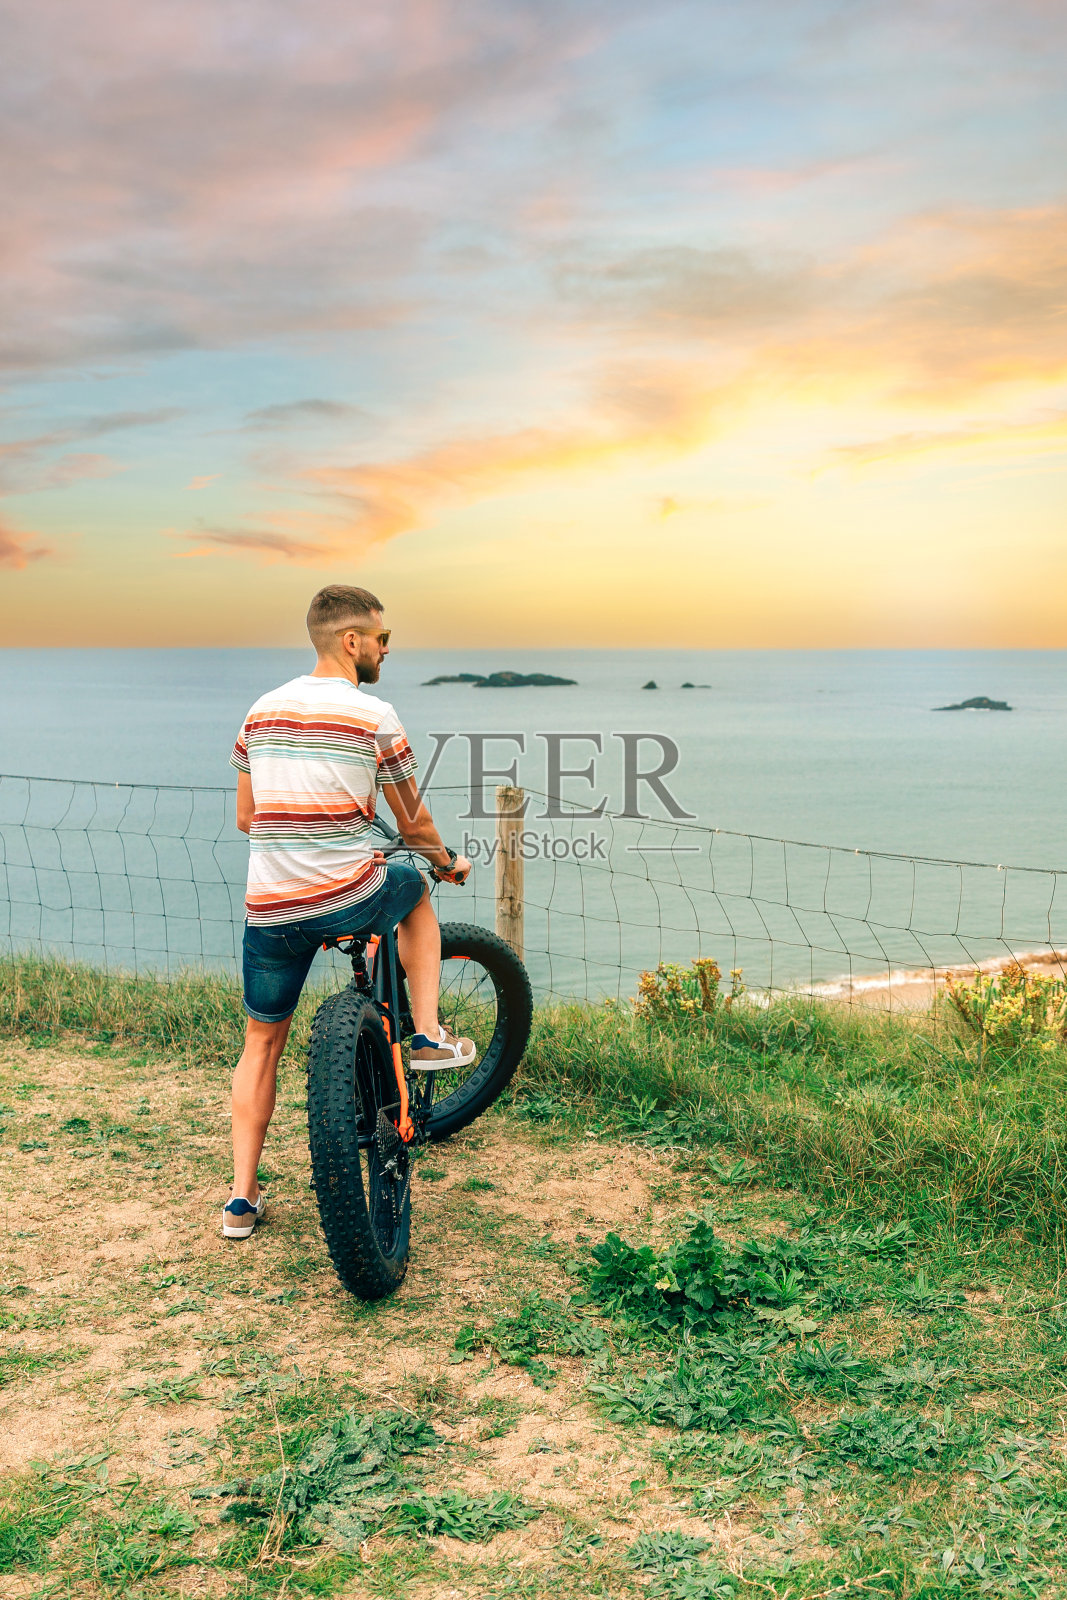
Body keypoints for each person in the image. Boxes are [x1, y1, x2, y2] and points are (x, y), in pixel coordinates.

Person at [223, 584, 473, 1240]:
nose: (388, 649)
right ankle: (425, 1034)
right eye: (382, 639)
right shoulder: (375, 715)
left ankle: (242, 1200)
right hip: (347, 894)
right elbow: (412, 823)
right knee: (413, 886)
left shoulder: (260, 710)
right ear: (351, 641)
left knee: (261, 1044)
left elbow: (249, 818)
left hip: (271, 907)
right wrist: (447, 861)